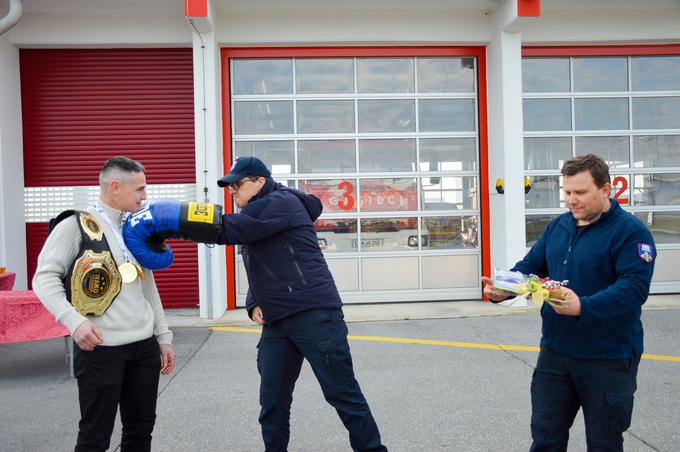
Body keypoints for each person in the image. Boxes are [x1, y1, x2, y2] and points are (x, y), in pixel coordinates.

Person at [482, 154, 655, 451]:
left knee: (604, 442)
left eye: (580, 192)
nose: (572, 200)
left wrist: (583, 307)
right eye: (567, 192)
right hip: (556, 355)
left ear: (605, 189)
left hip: (607, 358)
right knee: (546, 438)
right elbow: (531, 266)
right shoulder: (559, 226)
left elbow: (633, 289)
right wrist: (505, 288)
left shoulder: (631, 233)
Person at [216, 156, 387, 452]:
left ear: (259, 181)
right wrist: (254, 301)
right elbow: (263, 265)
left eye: (237, 184)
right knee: (272, 402)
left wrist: (174, 221)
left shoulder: (280, 202)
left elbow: (231, 230)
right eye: (229, 187)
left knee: (342, 395)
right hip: (278, 321)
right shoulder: (259, 213)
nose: (232, 191)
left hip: (314, 316)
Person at [33, 156, 175, 452]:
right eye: (139, 189)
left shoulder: (135, 227)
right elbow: (44, 279)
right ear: (114, 186)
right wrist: (74, 322)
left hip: (143, 347)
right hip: (100, 349)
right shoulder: (76, 224)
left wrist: (163, 337)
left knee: (140, 432)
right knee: (95, 436)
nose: (144, 196)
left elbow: (147, 284)